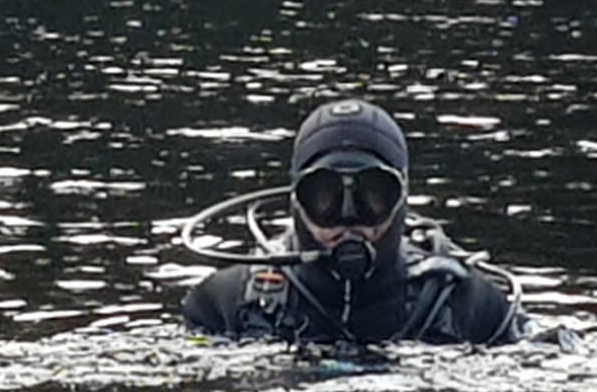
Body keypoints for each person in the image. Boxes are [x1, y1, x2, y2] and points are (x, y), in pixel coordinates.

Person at [179, 98, 523, 347]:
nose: (347, 218)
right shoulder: (226, 303)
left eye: (372, 196)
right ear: (298, 199)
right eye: (324, 196)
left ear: (400, 200)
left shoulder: (462, 302)